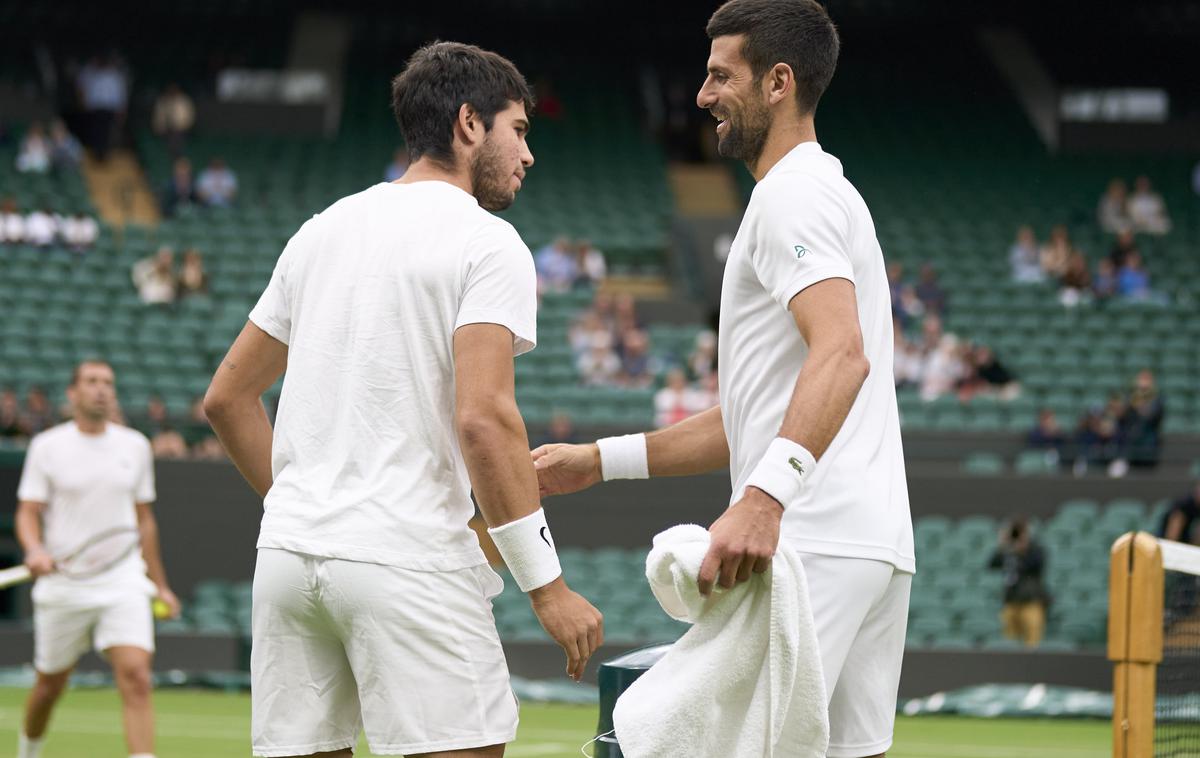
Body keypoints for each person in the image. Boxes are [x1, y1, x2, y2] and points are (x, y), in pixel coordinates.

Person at [532, 3, 913, 756]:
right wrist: (598, 461)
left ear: (778, 82)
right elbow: (749, 415)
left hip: (811, 543)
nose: (702, 95)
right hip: (870, 547)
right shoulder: (828, 193)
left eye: (719, 76)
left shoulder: (790, 196)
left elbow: (842, 354)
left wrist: (765, 499)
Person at [202, 41, 602, 758]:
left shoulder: (319, 230)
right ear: (470, 123)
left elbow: (227, 399)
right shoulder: (490, 242)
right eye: (521, 129)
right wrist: (548, 588)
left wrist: (306, 502)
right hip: (407, 558)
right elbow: (485, 419)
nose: (528, 153)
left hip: (290, 557)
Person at [13, 360, 181, 758]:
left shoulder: (135, 445)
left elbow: (145, 522)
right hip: (64, 587)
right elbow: (28, 511)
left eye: (108, 383)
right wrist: (35, 549)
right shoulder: (47, 447)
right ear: (72, 393)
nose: (101, 389)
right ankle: (27, 753)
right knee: (49, 687)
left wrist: (160, 585)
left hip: (122, 580)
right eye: (91, 382)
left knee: (137, 676)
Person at [987, 517, 1048, 647]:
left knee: (1032, 641)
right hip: (1010, 600)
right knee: (1010, 641)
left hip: (1031, 601)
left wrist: (1023, 549)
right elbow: (992, 564)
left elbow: (1035, 564)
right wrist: (1002, 545)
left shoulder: (1036, 550)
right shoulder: (1008, 551)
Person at [151, 84, 195, 157]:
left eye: (174, 90)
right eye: (170, 90)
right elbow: (158, 117)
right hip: (166, 129)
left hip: (181, 129)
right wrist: (159, 127)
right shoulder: (163, 100)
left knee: (176, 136)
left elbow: (189, 117)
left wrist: (180, 126)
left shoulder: (184, 100)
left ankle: (177, 155)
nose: (172, 92)